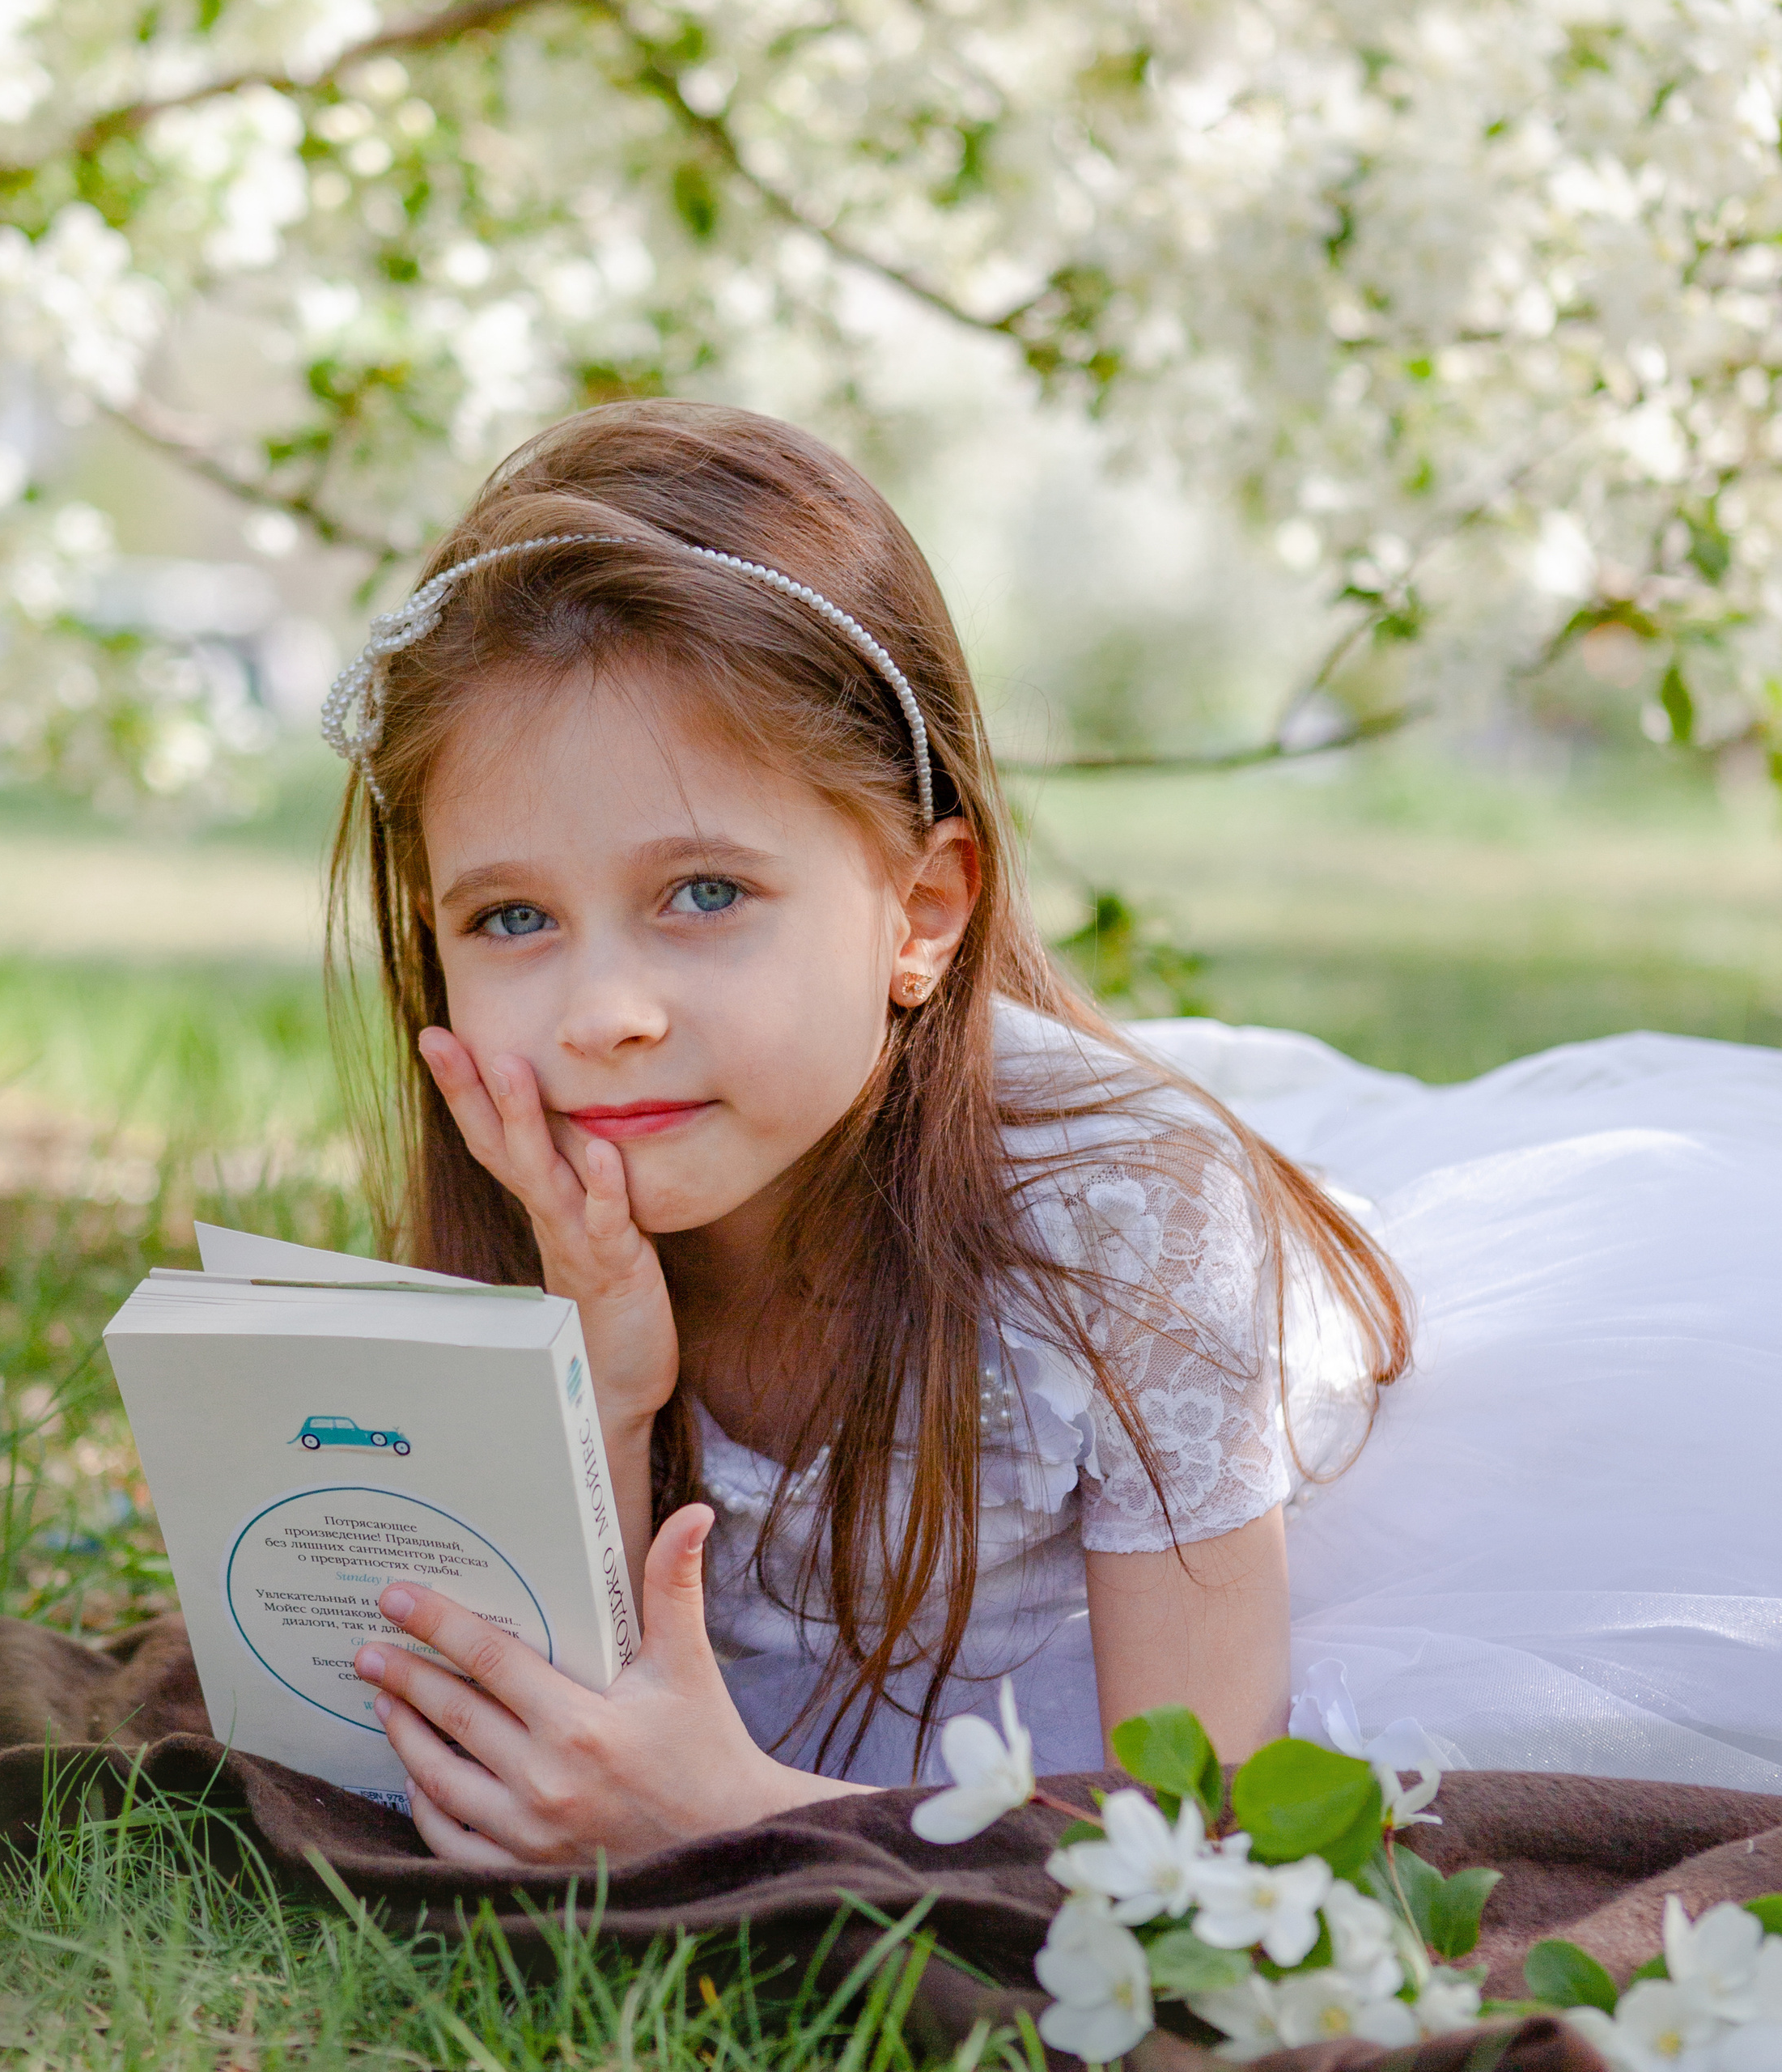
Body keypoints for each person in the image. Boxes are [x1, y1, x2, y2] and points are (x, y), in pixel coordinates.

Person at [336, 399, 1782, 1865]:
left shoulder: (1133, 1232)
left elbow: (1201, 1837)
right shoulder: (537, 1165)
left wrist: (746, 1822)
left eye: (705, 892)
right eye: (511, 917)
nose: (603, 1015)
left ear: (922, 911)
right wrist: (606, 1392)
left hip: (1227, 1536)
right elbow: (548, 1713)